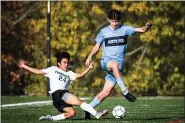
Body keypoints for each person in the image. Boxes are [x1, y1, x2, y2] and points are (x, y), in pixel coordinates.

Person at [85, 9, 152, 119]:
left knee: (105, 92)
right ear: (108, 20)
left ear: (119, 20)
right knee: (114, 65)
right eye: (112, 21)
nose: (114, 23)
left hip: (116, 69)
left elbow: (142, 30)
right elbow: (97, 46)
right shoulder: (103, 32)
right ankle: (125, 92)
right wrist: (90, 56)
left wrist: (147, 27)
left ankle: (88, 108)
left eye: (116, 21)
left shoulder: (125, 29)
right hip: (106, 62)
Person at [19, 51, 108, 121]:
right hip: (58, 94)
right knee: (79, 101)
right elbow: (38, 71)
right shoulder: (53, 69)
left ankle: (51, 118)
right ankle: (96, 114)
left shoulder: (69, 73)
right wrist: (24, 66)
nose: (66, 64)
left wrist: (89, 68)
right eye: (64, 62)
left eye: (67, 62)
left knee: (72, 113)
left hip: (62, 95)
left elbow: (80, 75)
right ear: (59, 63)